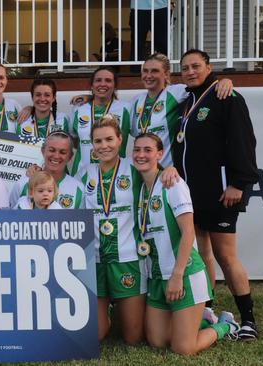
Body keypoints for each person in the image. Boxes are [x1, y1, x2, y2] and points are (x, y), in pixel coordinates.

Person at [174, 49, 260, 340]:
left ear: (208, 67)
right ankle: (207, 310)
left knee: (226, 255)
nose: (190, 71)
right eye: (185, 67)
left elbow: (244, 141)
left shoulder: (227, 97)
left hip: (222, 193)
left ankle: (248, 319)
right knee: (203, 254)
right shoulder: (188, 100)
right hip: (193, 193)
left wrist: (238, 183)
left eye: (196, 66)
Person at [133, 133, 239, 355]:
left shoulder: (173, 184)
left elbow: (189, 231)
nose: (141, 155)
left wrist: (177, 275)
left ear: (160, 154)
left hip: (184, 275)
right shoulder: (142, 188)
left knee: (183, 348)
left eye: (148, 150)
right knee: (157, 341)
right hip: (156, 277)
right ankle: (200, 319)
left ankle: (225, 325)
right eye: (137, 150)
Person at [83, 114, 144, 344]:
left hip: (127, 258)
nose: (104, 146)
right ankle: (108, 310)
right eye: (98, 141)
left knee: (133, 338)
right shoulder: (85, 172)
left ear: (120, 139)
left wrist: (170, 171)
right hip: (96, 260)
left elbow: (158, 178)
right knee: (96, 335)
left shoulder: (135, 167)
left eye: (109, 139)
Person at [129, 53, 233, 168]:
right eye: (145, 71)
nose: (148, 75)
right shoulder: (136, 101)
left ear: (166, 74)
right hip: (144, 171)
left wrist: (225, 81)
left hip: (168, 172)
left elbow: (203, 89)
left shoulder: (176, 92)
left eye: (154, 71)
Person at [70, 66, 130, 177]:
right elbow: (73, 139)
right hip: (82, 174)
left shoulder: (126, 109)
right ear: (92, 85)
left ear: (115, 86)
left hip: (116, 175)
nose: (102, 84)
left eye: (108, 80)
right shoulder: (78, 109)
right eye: (98, 80)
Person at [9, 132, 84, 209]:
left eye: (63, 152)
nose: (56, 156)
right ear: (43, 151)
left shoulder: (79, 189)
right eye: (52, 150)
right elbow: (10, 217)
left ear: (70, 156)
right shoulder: (23, 184)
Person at [129, 0, 169, 72]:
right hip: (139, 7)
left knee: (163, 43)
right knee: (137, 44)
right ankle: (135, 73)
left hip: (161, 6)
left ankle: (164, 70)